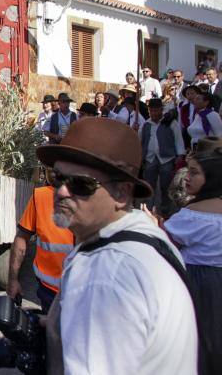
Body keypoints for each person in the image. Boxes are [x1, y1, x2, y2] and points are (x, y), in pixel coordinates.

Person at [37, 118, 197, 375]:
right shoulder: (148, 239)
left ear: (122, 193)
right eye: (57, 178)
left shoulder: (104, 274)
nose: (62, 191)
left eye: (80, 184)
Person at [160, 138, 222, 374]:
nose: (187, 177)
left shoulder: (193, 215)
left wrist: (155, 225)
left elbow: (167, 240)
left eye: (194, 173)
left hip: (200, 282)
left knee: (201, 340)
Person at [7, 176, 74, 312]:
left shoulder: (94, 198)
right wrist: (13, 279)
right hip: (49, 291)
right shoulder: (40, 196)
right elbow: (21, 239)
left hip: (81, 291)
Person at [139, 98, 185, 215]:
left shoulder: (171, 123)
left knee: (166, 185)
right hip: (150, 158)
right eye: (151, 111)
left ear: (161, 110)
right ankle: (148, 208)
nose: (154, 113)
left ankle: (164, 209)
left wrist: (180, 154)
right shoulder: (146, 124)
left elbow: (178, 139)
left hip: (166, 158)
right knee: (149, 184)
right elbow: (140, 140)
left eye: (156, 110)